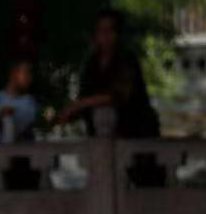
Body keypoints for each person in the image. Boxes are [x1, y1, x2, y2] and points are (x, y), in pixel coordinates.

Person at [59, 9, 160, 138]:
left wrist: (81, 104)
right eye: (101, 30)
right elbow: (85, 93)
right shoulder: (92, 62)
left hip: (132, 130)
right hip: (97, 134)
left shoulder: (127, 59)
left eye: (110, 30)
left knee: (105, 113)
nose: (105, 36)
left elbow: (117, 95)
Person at [0, 60, 39, 143]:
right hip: (2, 152)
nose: (30, 78)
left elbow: (33, 129)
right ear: (14, 74)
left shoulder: (30, 101)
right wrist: (2, 115)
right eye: (26, 73)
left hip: (26, 152)